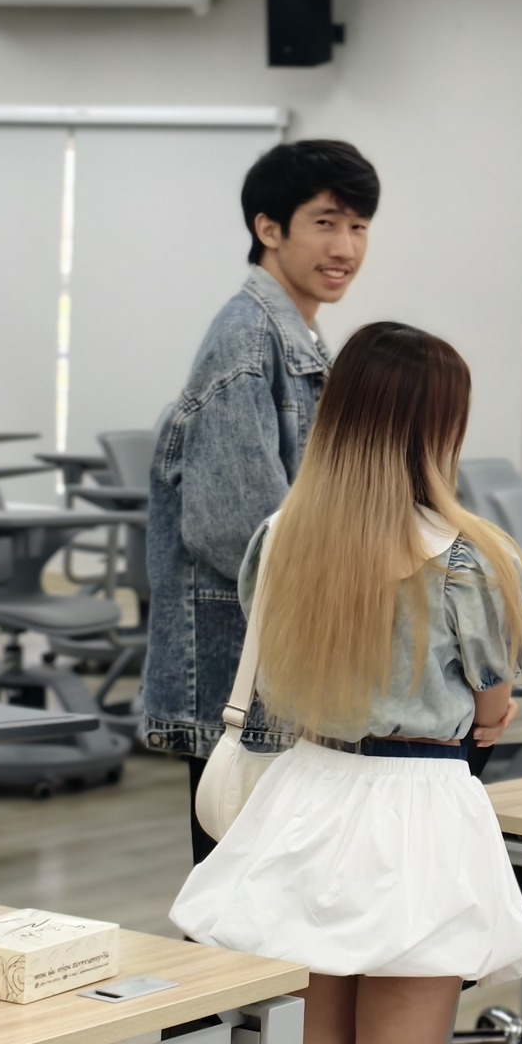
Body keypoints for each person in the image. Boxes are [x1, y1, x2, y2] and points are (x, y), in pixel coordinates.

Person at [171, 323, 522, 1044]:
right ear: (440, 426)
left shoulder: (281, 538)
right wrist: (489, 711)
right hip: (416, 815)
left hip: (306, 794)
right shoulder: (469, 557)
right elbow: (493, 703)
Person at [143, 138, 379, 864]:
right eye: (325, 223)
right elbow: (245, 532)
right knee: (240, 909)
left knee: (274, 902)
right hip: (242, 679)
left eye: (359, 227)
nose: (345, 247)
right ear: (268, 228)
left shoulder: (294, 335)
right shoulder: (247, 342)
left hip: (277, 671)